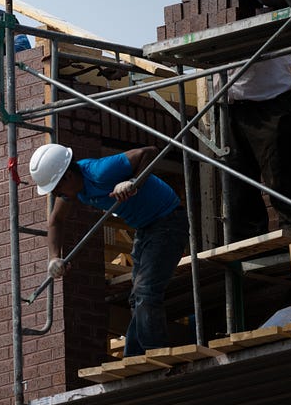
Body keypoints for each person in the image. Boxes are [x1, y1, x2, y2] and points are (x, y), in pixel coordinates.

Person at [29, 142, 188, 357]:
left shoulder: (100, 172)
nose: (59, 195)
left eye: (57, 188)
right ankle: (136, 356)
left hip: (168, 221)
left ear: (67, 176)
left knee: (145, 292)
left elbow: (149, 152)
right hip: (146, 228)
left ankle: (156, 354)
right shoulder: (73, 189)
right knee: (137, 298)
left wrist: (133, 182)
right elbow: (55, 221)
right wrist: (54, 258)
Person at [222, 56, 291, 239]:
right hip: (229, 105)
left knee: (279, 171)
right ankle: (250, 239)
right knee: (238, 180)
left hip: (271, 98)